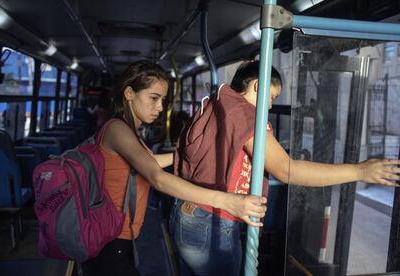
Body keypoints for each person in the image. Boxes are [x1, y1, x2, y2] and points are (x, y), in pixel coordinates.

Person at [169, 60, 400, 276]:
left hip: (187, 215)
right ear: (257, 86)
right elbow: (286, 170)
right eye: (271, 97)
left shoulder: (216, 103)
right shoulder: (244, 113)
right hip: (211, 223)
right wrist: (360, 171)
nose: (270, 105)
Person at [80, 60, 267, 276]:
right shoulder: (116, 129)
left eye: (163, 100)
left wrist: (189, 154)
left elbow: (150, 163)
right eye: (154, 98)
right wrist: (227, 201)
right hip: (109, 240)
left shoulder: (130, 132)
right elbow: (157, 177)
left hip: (121, 235)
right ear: (129, 93)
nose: (160, 107)